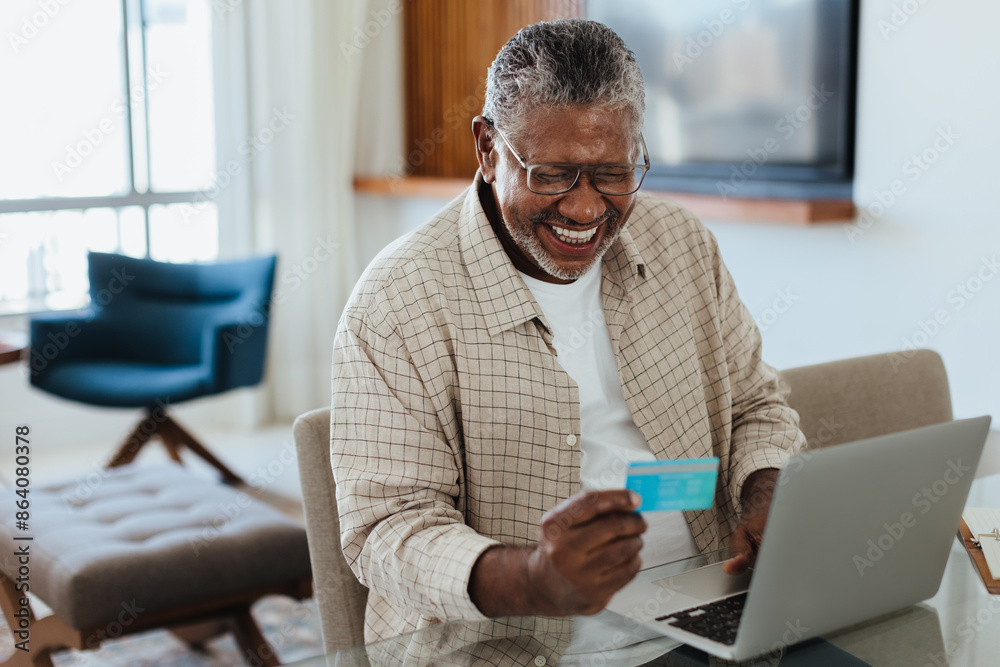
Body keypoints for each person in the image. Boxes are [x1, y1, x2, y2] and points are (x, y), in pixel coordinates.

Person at [332, 18, 806, 664]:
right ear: (487, 147)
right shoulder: (398, 299)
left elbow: (756, 402)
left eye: (613, 173)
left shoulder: (682, 244)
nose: (585, 210)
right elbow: (382, 530)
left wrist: (766, 488)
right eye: (553, 174)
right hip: (508, 643)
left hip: (708, 612)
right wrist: (531, 577)